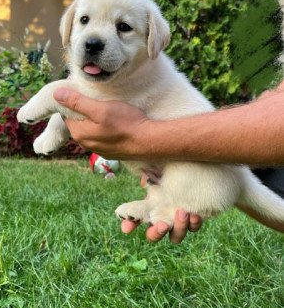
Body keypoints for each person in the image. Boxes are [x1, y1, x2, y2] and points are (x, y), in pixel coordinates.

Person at [52, 82, 284, 242]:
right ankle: (161, 202)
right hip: (241, 175)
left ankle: (173, 202)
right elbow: (274, 100)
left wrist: (144, 138)